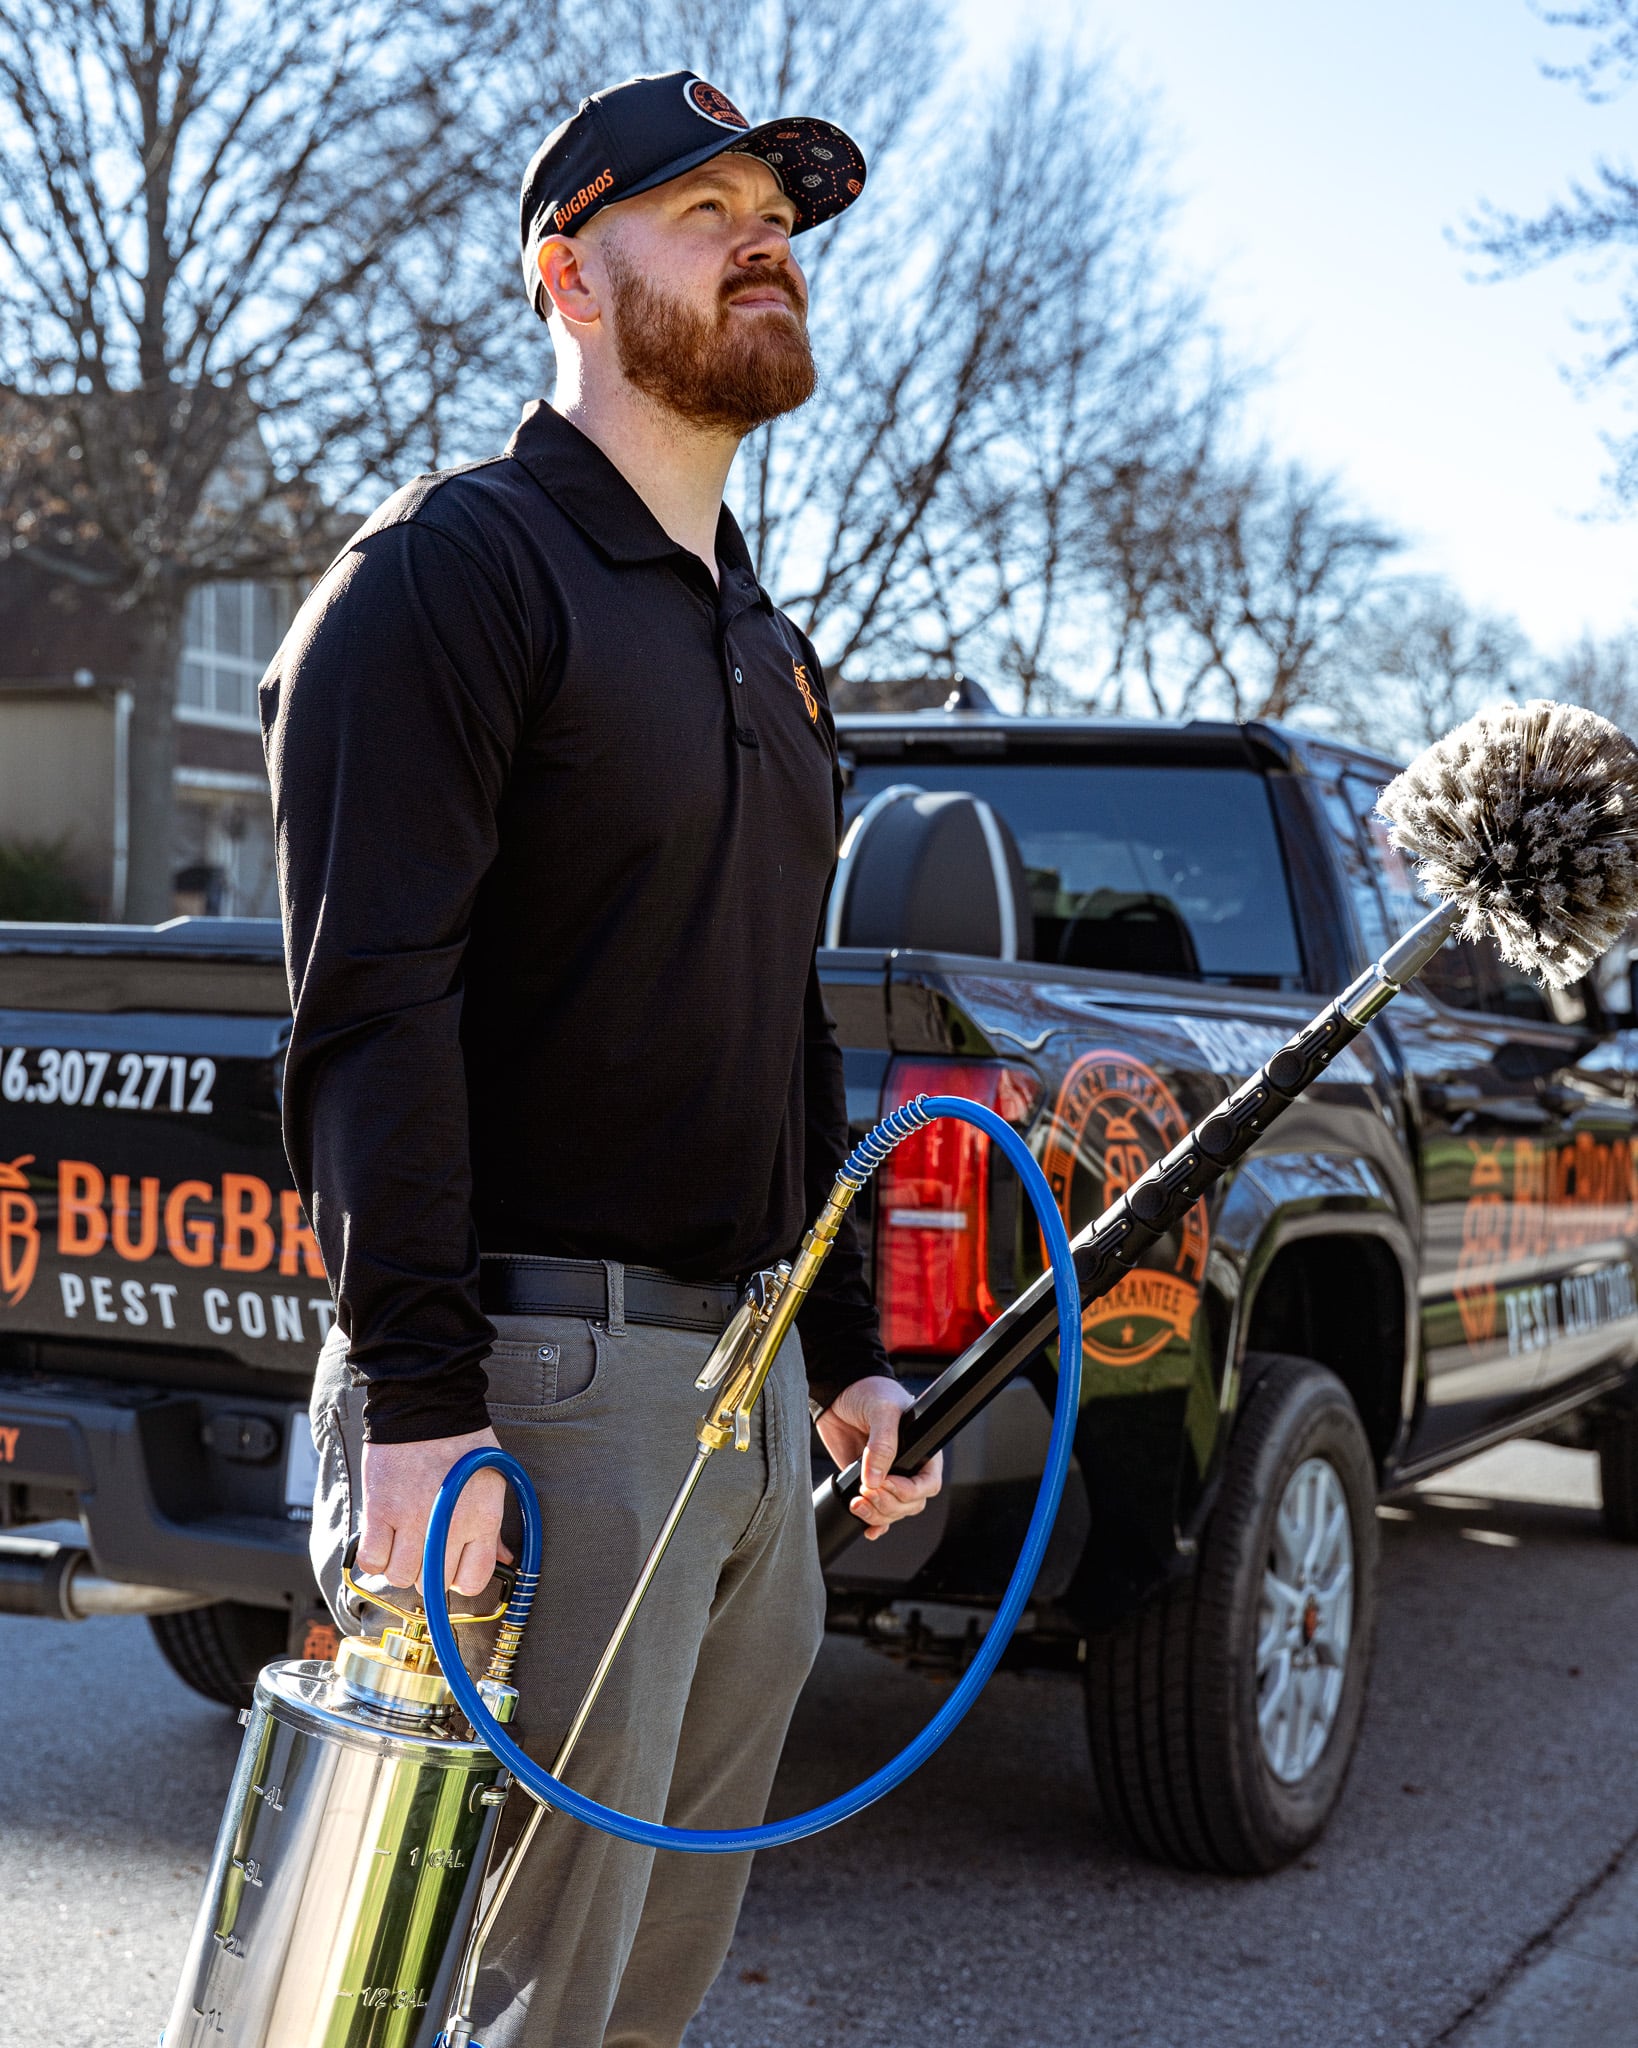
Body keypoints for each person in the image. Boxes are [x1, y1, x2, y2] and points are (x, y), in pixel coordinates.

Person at [262, 67, 943, 2048]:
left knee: (639, 1992)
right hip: (539, 1390)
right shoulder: (449, 580)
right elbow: (371, 1007)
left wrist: (846, 1357)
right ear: (568, 273)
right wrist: (415, 1403)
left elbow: (772, 1006)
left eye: (782, 215)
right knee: (501, 1997)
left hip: (742, 1389)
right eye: (703, 205)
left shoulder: (761, 639)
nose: (766, 239)